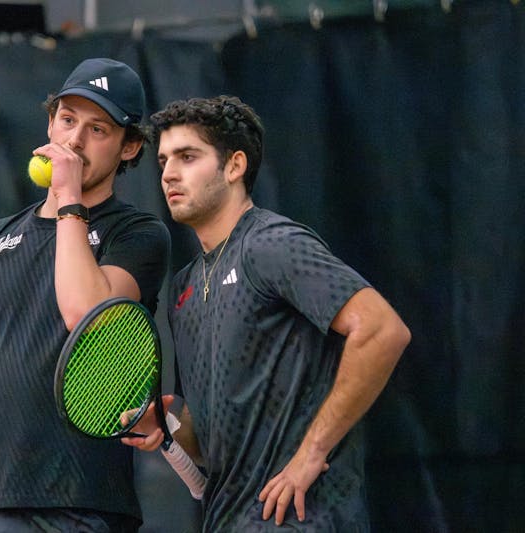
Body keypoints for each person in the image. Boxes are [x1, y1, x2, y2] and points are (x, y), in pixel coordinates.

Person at [121, 95, 411, 531]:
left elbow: (382, 330)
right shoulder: (183, 286)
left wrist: (311, 454)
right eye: (162, 160)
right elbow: (209, 442)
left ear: (234, 166)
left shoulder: (272, 244)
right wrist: (168, 424)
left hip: (303, 521)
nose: (168, 174)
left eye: (187, 156)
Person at [0, 58, 170, 532]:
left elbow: (87, 312)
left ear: (129, 146)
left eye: (97, 129)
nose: (74, 141)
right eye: (67, 119)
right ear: (50, 121)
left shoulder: (139, 234)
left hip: (83, 509)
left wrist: (70, 200)